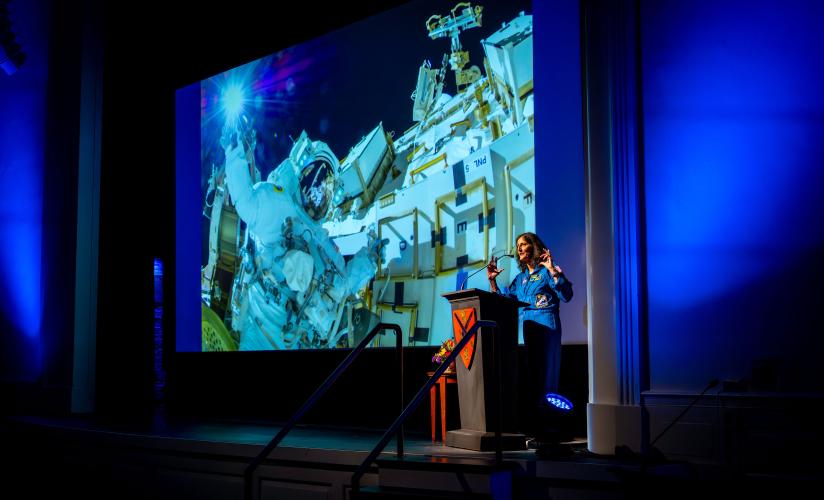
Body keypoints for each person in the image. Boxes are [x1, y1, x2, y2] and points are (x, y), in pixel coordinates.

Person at [487, 232, 573, 437]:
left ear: (534, 247)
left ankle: (550, 427)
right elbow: (505, 302)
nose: (519, 249)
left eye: (524, 244)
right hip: (529, 331)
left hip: (547, 328)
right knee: (534, 378)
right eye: (518, 245)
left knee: (547, 377)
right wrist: (492, 283)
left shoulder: (546, 272)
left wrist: (553, 270)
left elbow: (567, 295)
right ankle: (538, 428)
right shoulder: (521, 278)